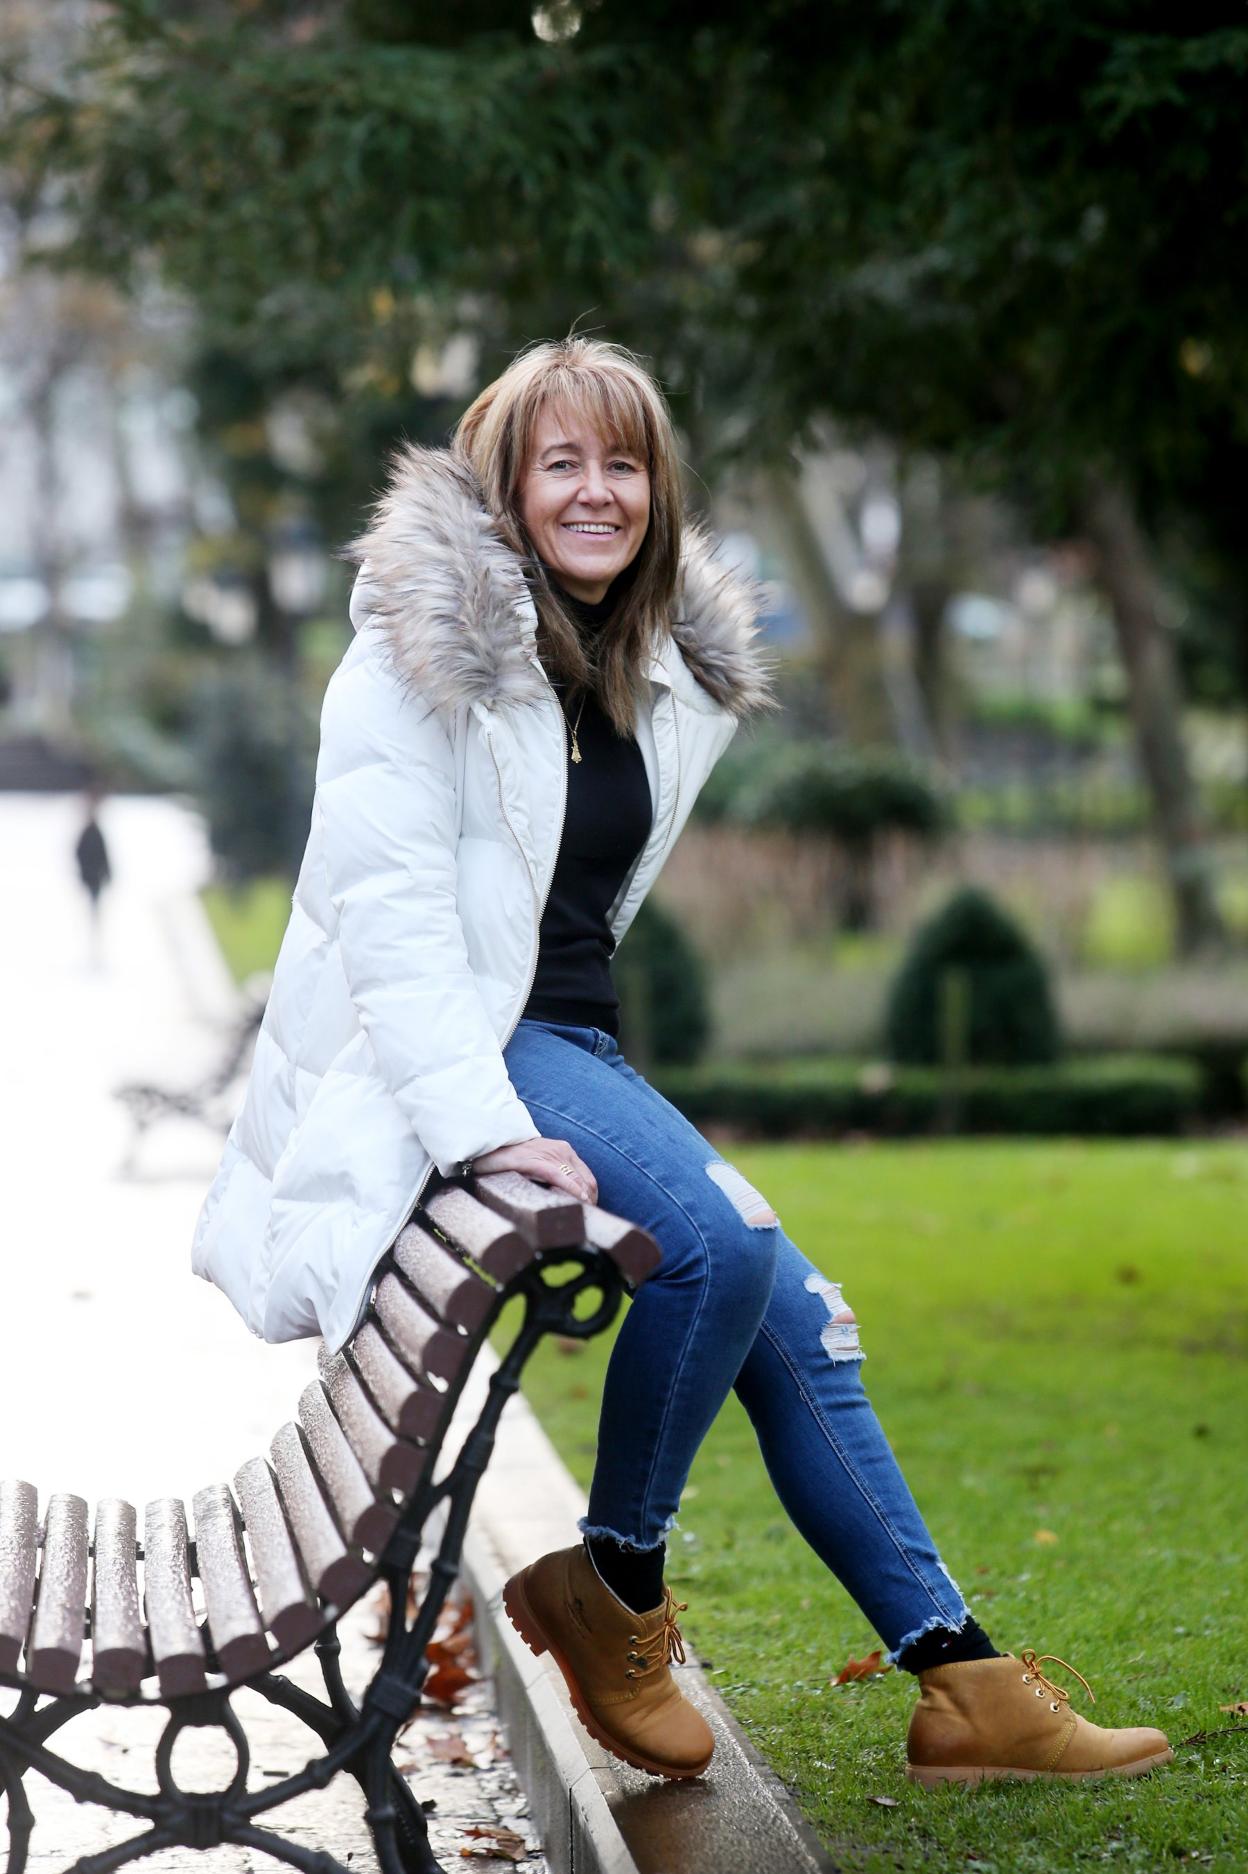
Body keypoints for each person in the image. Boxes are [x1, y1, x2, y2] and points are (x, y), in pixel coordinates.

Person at [193, 337, 1172, 1790]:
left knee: (801, 1319)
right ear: (508, 483)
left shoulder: (644, 668)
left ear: (659, 486)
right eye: (563, 463)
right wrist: (477, 1125)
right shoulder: (419, 654)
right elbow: (390, 922)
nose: (599, 493)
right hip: (481, 1052)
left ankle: (961, 1676)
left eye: (626, 463)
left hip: (566, 1040)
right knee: (716, 1245)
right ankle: (614, 1582)